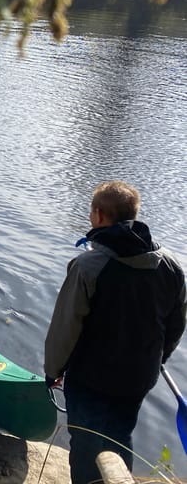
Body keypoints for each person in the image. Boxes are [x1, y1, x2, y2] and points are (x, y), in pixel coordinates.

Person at [44, 181, 186, 484]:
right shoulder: (172, 266)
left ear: (97, 215)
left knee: (84, 445)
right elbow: (176, 325)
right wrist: (159, 358)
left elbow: (65, 327)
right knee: (120, 437)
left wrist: (52, 370)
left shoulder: (88, 266)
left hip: (90, 379)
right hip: (138, 377)